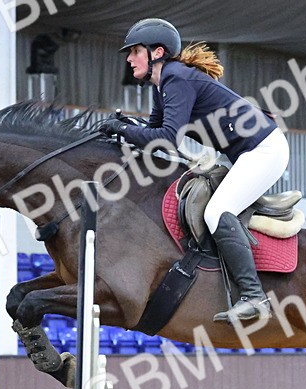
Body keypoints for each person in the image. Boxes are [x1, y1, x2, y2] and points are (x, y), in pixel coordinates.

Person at [97, 18, 288, 323]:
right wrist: (126, 129)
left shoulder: (176, 78)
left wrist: (123, 130)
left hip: (265, 150)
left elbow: (169, 138)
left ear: (157, 52)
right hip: (248, 152)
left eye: (134, 51)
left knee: (216, 211)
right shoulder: (162, 85)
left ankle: (254, 297)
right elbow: (155, 129)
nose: (129, 59)